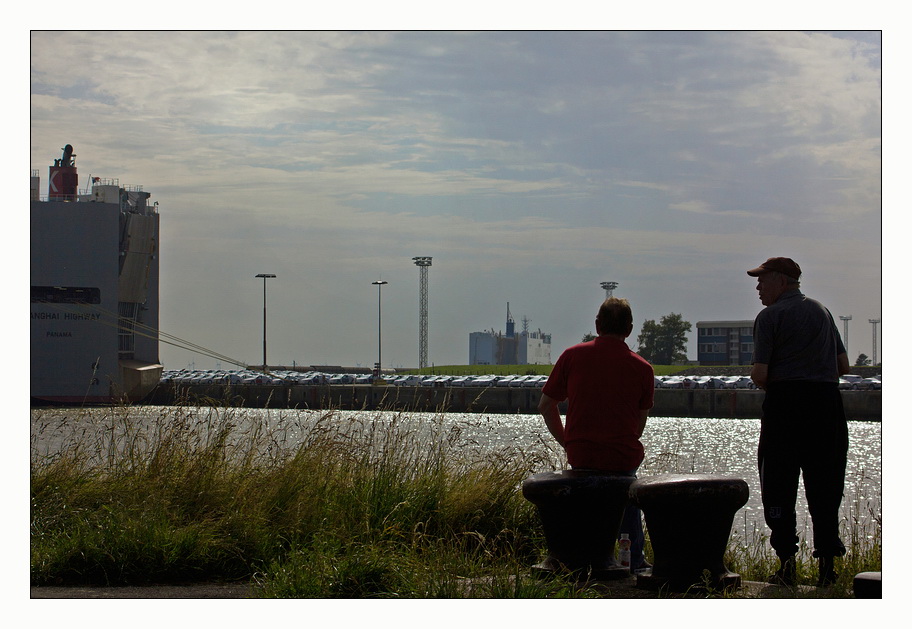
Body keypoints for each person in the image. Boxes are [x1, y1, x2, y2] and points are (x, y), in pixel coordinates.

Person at [747, 257, 850, 587]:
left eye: (762, 280)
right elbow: (843, 366)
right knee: (826, 485)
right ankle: (827, 569)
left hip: (785, 407)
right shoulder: (822, 311)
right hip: (826, 406)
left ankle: (787, 565)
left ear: (780, 281)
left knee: (778, 483)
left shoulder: (769, 317)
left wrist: (779, 377)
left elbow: (761, 373)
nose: (758, 287)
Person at [538, 296, 654, 571]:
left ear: (597, 325)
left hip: (582, 455)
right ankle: (633, 559)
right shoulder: (643, 368)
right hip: (622, 458)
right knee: (627, 495)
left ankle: (583, 557)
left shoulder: (572, 356)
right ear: (629, 328)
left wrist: (568, 442)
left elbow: (545, 406)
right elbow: (638, 426)